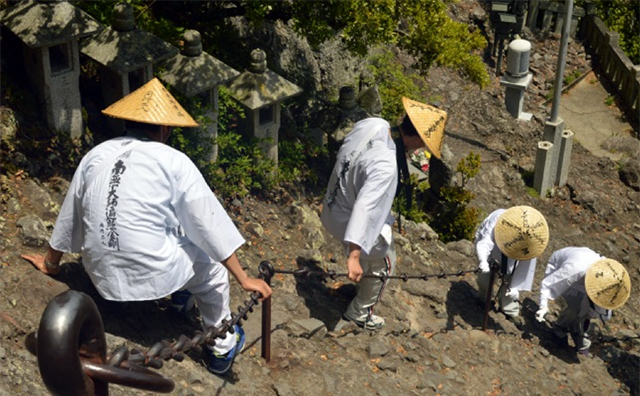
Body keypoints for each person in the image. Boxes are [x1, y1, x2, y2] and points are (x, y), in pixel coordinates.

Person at [21, 78, 272, 375]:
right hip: (148, 272)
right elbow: (209, 225)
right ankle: (222, 345)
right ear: (165, 128)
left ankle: (182, 296)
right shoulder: (175, 161)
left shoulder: (96, 154)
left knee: (174, 226)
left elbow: (70, 215)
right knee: (213, 266)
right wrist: (244, 278)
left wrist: (51, 263)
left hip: (101, 274)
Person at [321, 97, 447, 331]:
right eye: (423, 145)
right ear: (418, 139)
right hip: (350, 220)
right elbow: (365, 207)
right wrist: (354, 256)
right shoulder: (386, 165)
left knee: (370, 256)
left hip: (333, 205)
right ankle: (360, 312)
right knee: (386, 262)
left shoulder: (374, 124)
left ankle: (360, 284)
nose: (420, 149)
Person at [536, 247, 631, 355]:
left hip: (586, 278)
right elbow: (548, 284)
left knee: (587, 309)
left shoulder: (608, 275)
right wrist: (543, 306)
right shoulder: (575, 269)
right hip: (563, 267)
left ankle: (578, 331)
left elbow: (601, 306)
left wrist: (588, 315)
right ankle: (559, 329)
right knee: (572, 307)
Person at [475, 206, 549, 318]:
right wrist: (483, 260)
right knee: (484, 279)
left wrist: (515, 287)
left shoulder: (533, 239)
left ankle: (508, 309)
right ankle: (484, 298)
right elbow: (485, 241)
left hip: (514, 258)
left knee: (510, 285)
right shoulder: (497, 220)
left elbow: (526, 265)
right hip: (493, 251)